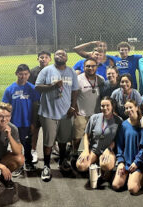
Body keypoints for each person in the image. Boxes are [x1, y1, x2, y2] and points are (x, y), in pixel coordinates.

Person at [35, 49, 78, 182]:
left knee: (63, 139)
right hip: (48, 112)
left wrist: (73, 106)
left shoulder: (71, 71)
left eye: (63, 54)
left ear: (67, 58)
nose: (60, 56)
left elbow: (75, 90)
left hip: (65, 112)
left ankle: (62, 161)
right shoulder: (47, 70)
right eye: (58, 54)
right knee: (48, 141)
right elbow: (37, 87)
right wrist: (52, 85)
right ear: (54, 57)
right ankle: (47, 166)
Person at [2, 64, 40, 175]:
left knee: (27, 144)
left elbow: (35, 107)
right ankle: (19, 165)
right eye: (20, 74)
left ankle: (28, 162)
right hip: (14, 123)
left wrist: (33, 122)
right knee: (15, 145)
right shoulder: (10, 89)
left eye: (25, 74)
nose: (23, 76)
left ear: (29, 74)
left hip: (27, 122)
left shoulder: (32, 89)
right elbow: (5, 107)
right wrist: (6, 122)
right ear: (16, 74)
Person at [76, 97, 122, 176]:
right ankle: (96, 161)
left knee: (106, 165)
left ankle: (103, 167)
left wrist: (109, 149)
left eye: (107, 105)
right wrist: (86, 150)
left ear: (112, 106)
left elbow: (117, 139)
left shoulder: (118, 120)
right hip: (94, 150)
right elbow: (86, 135)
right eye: (102, 106)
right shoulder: (94, 117)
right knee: (81, 165)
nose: (105, 108)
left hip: (108, 150)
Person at [72, 58, 105, 163]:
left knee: (94, 137)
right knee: (77, 138)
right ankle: (74, 154)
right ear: (83, 67)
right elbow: (73, 95)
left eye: (93, 66)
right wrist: (74, 107)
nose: (90, 68)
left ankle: (91, 157)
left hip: (96, 114)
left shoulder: (100, 79)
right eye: (88, 66)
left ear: (96, 67)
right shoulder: (78, 79)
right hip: (81, 113)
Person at [112, 100, 143, 194]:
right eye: (126, 108)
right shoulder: (123, 125)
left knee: (132, 189)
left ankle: (141, 177)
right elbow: (119, 145)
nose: (128, 110)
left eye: (130, 107)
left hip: (138, 163)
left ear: (136, 108)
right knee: (116, 185)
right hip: (126, 162)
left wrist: (137, 162)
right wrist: (121, 162)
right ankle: (130, 177)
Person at [28, 51, 52, 164]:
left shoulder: (54, 70)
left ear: (50, 59)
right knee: (35, 128)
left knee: (51, 128)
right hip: (37, 104)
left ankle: (53, 146)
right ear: (37, 59)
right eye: (41, 57)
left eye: (46, 57)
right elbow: (30, 89)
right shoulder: (33, 72)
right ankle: (33, 150)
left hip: (51, 104)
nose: (43, 59)